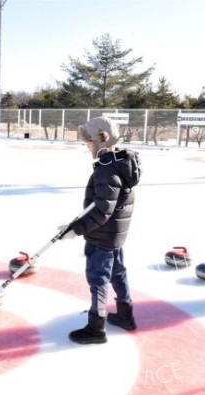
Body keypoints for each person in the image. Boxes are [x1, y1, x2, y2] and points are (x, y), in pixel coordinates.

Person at [59, 116, 141, 344]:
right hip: (115, 235)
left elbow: (102, 210)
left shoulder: (106, 170)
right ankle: (126, 316)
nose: (87, 149)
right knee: (118, 272)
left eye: (88, 144)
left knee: (98, 278)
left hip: (102, 236)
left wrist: (75, 230)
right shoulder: (121, 162)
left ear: (100, 140)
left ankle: (96, 327)